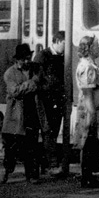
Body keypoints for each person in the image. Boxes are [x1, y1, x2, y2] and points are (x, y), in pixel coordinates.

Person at [0, 42, 46, 184]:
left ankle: (31, 175)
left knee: (31, 146)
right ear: (17, 60)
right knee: (11, 147)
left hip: (31, 113)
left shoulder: (36, 69)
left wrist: (29, 86)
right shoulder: (9, 73)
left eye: (28, 58)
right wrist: (33, 84)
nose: (27, 61)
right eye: (24, 59)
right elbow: (15, 91)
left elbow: (44, 84)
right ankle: (6, 171)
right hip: (15, 116)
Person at [71, 35, 99, 187]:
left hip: (93, 110)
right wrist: (93, 114)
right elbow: (88, 92)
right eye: (97, 45)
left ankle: (88, 176)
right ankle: (86, 177)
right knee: (89, 142)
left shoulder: (90, 65)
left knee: (91, 142)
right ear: (89, 49)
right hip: (91, 111)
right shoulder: (87, 67)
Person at [33, 31, 72, 178]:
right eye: (64, 44)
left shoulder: (63, 58)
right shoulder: (42, 57)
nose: (65, 47)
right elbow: (36, 79)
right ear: (56, 41)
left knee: (53, 132)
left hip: (58, 101)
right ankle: (52, 165)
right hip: (45, 101)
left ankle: (46, 165)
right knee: (48, 131)